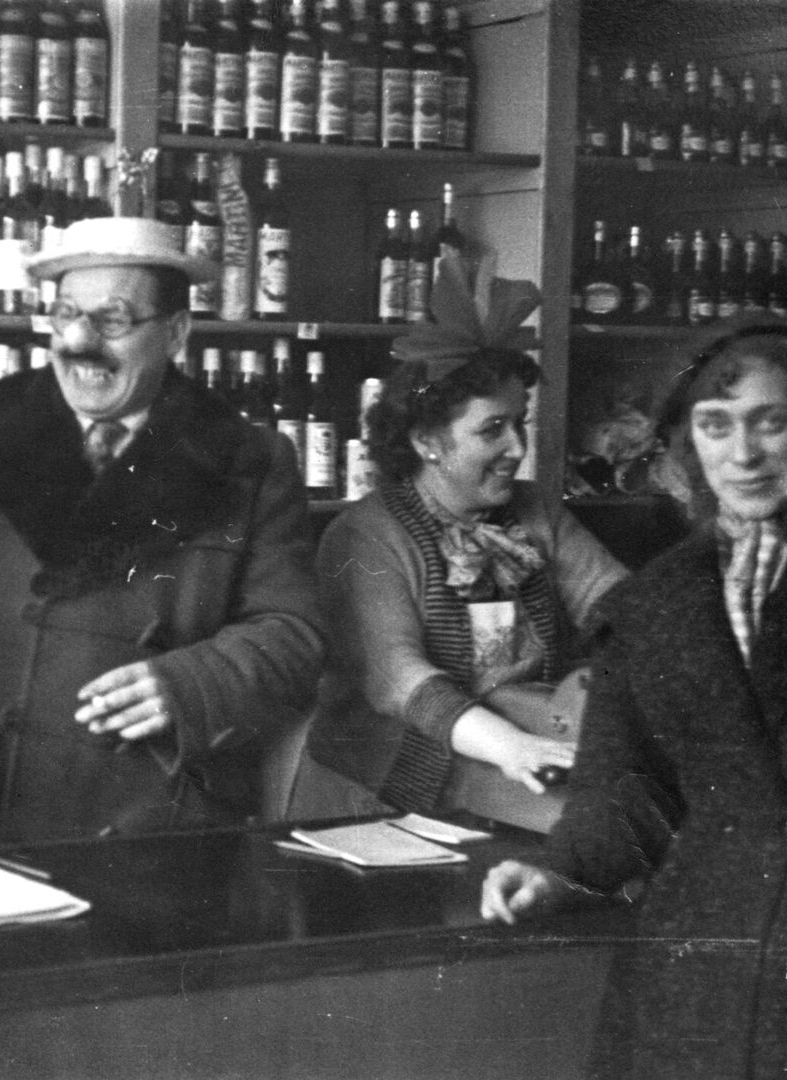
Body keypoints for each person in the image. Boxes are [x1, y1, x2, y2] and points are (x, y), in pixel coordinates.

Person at [0, 216, 326, 842]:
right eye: (66, 313)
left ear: (176, 332)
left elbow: (293, 633)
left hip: (138, 813)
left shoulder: (250, 460)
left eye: (114, 319)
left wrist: (190, 685)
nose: (79, 340)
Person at [482, 317, 787, 1079]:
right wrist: (561, 872)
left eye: (772, 423)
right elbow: (626, 785)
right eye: (716, 425)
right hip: (705, 952)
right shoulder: (654, 604)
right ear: (688, 442)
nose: (743, 454)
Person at [292, 258, 626, 818]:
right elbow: (399, 681)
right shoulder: (365, 535)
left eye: (519, 422)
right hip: (379, 788)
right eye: (492, 429)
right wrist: (512, 747)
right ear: (427, 441)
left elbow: (618, 602)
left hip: (511, 762)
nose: (517, 448)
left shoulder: (535, 510)